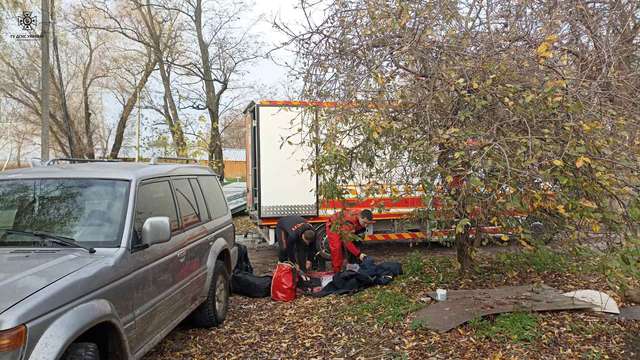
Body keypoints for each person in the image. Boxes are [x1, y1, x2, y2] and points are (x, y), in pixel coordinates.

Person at [325, 209, 375, 273]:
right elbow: (347, 242)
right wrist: (358, 254)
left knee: (356, 242)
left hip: (347, 226)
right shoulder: (350, 221)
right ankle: (337, 271)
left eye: (367, 223)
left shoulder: (362, 216)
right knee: (337, 249)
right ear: (360, 217)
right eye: (364, 222)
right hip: (334, 226)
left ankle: (353, 264)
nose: (365, 225)